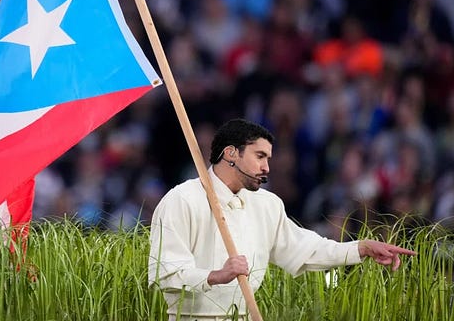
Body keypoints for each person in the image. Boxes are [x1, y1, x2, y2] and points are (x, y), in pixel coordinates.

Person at [148, 119, 416, 321]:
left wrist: (361, 248)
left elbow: (306, 249)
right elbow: (164, 274)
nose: (266, 167)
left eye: (268, 158)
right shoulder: (181, 200)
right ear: (230, 154)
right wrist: (215, 276)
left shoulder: (268, 204)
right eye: (259, 156)